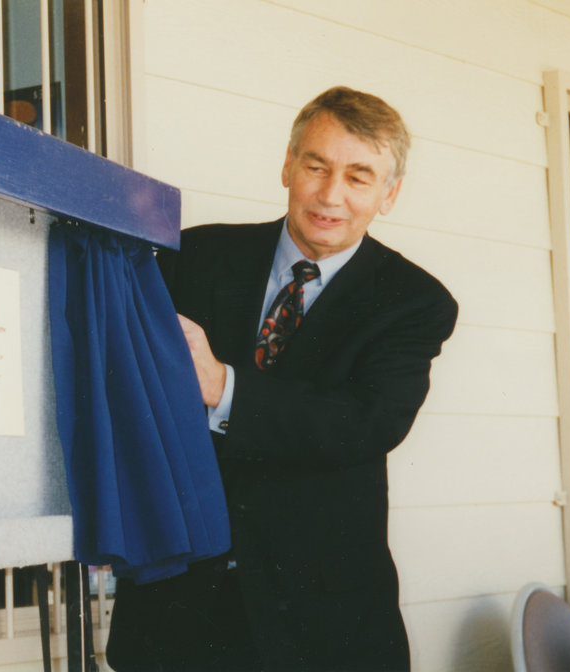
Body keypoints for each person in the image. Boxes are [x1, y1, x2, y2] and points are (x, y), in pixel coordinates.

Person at [105, 86, 458, 671]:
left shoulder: (414, 302)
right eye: (316, 166)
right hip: (175, 612)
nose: (330, 195)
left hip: (319, 625)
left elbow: (364, 423)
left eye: (358, 176)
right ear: (288, 165)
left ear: (388, 194)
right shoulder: (189, 255)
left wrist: (223, 387)